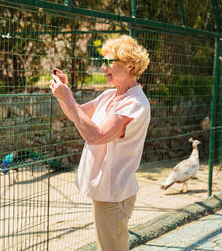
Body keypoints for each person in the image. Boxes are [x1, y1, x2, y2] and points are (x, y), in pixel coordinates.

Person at [49, 35, 150, 251]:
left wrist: (67, 98)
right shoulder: (109, 96)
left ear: (129, 65)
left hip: (114, 195)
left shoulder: (134, 104)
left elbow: (95, 135)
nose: (103, 68)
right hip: (108, 193)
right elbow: (76, 115)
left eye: (108, 62)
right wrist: (62, 93)